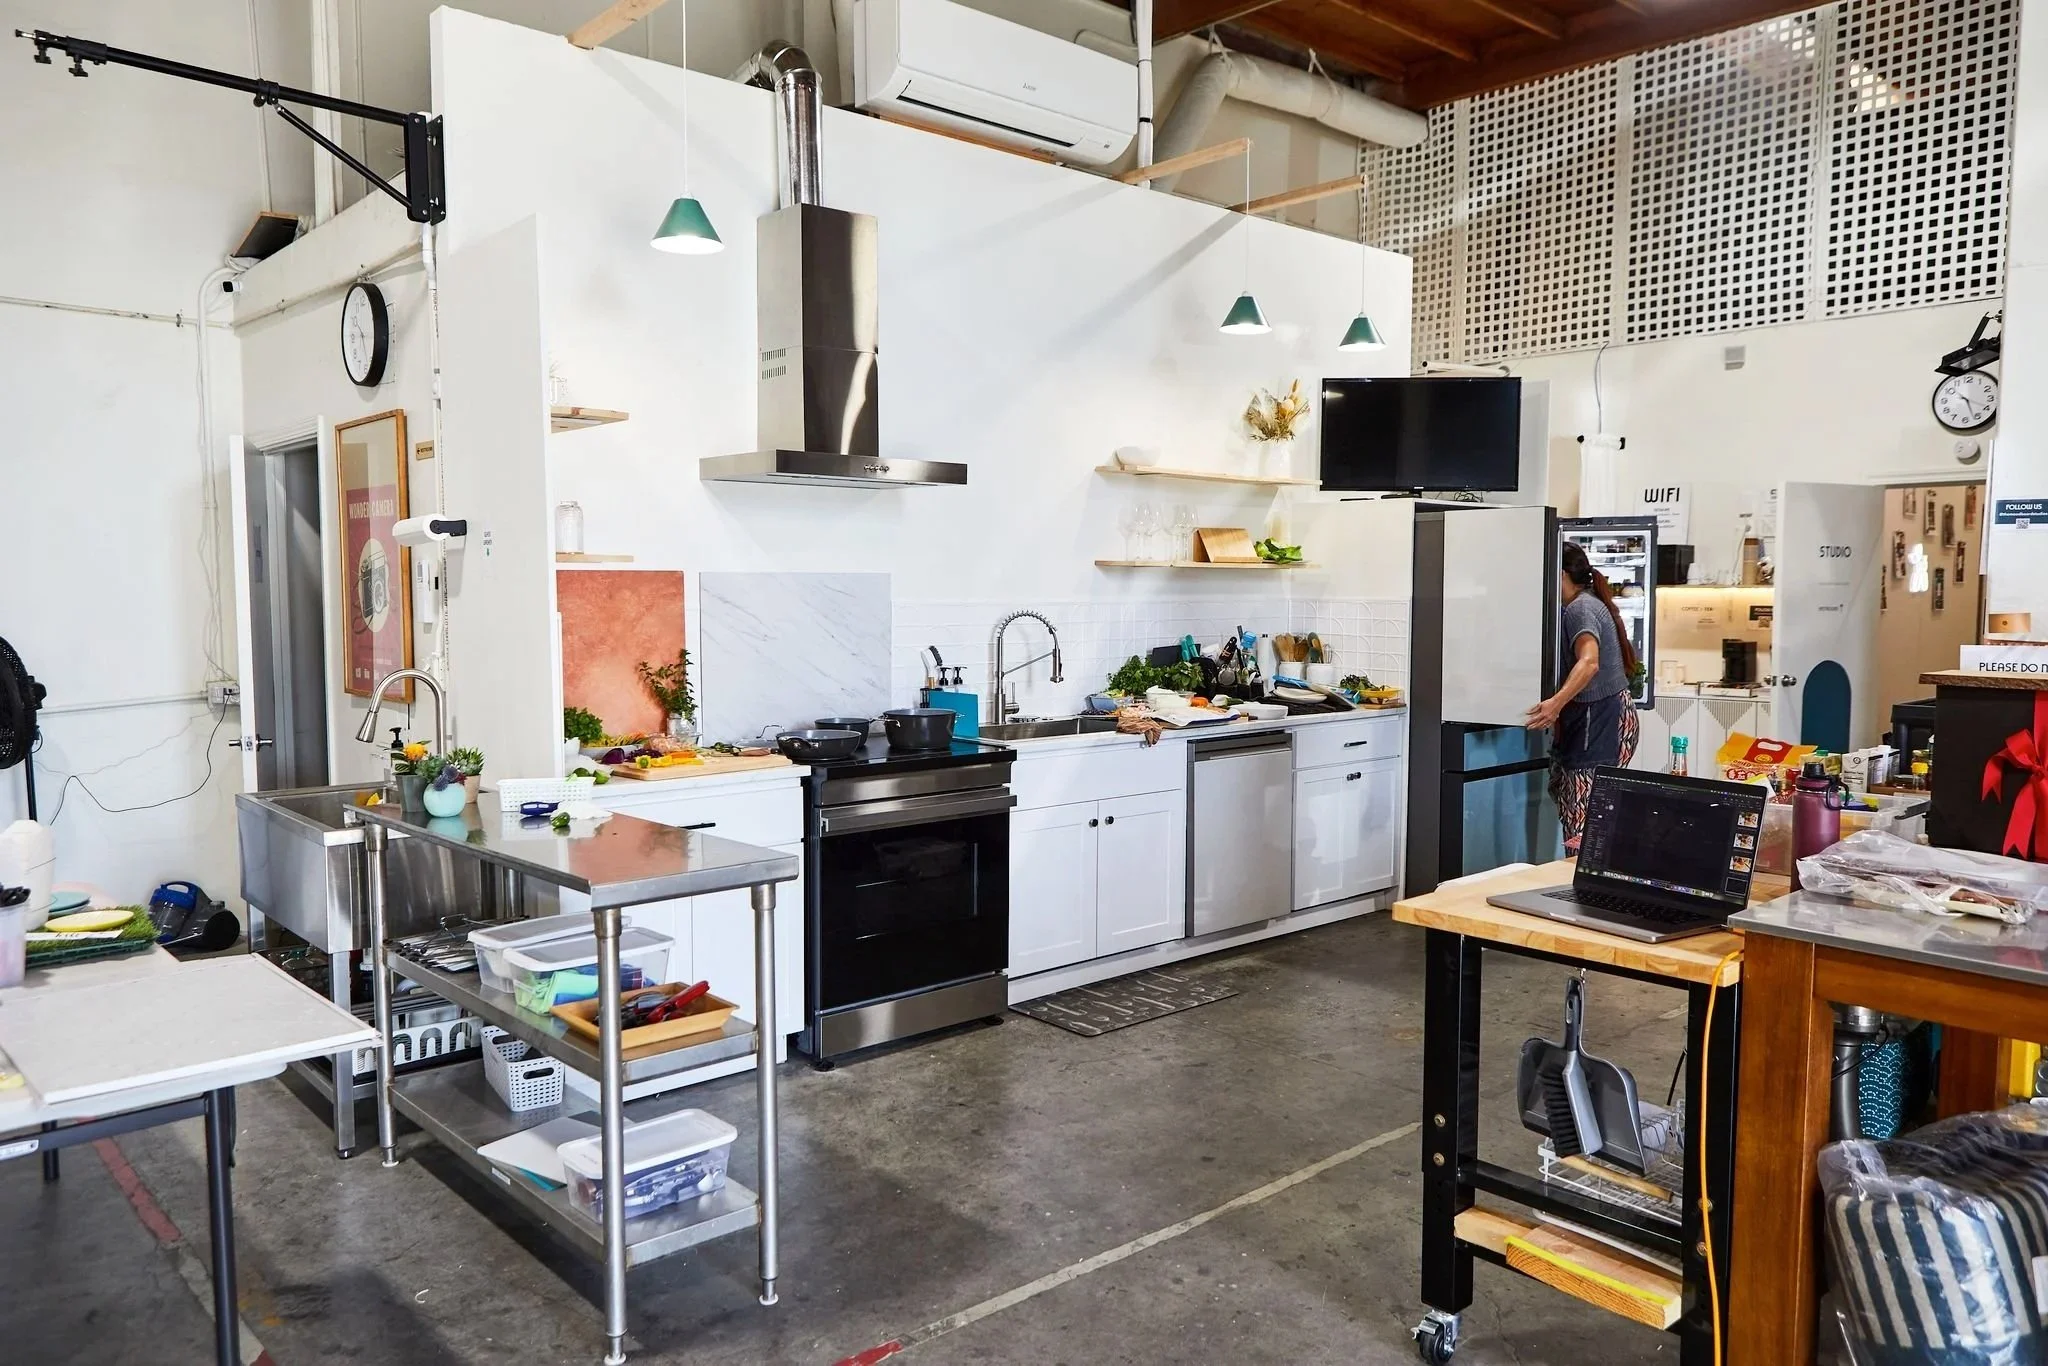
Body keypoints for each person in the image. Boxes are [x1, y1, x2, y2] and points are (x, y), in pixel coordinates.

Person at [1527, 542, 1641, 854]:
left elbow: (1589, 662)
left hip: (1600, 717)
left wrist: (1555, 703)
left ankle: (1581, 892)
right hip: (1599, 716)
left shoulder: (1581, 608)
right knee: (1585, 812)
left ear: (1560, 574)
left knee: (1584, 819)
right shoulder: (1581, 604)